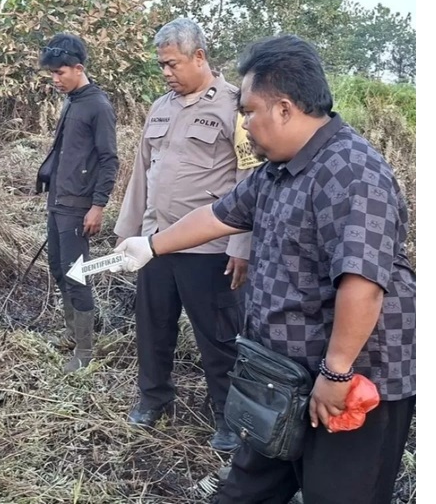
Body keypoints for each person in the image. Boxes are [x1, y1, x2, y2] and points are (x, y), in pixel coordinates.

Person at [113, 34, 416, 504]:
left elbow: (363, 282)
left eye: (250, 112)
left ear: (284, 108)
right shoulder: (278, 169)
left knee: (339, 494)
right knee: (244, 490)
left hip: (355, 380)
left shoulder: (353, 171)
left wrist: (336, 374)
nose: (245, 125)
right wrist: (151, 246)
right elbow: (220, 214)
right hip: (284, 375)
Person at [113, 17, 261, 452]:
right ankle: (153, 400)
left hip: (209, 249)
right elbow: (142, 172)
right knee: (152, 328)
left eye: (172, 64)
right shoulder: (160, 108)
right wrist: (127, 233)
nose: (166, 73)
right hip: (154, 244)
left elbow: (248, 178)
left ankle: (228, 419)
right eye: (161, 65)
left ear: (200, 57)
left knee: (217, 338)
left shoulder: (236, 107)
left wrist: (242, 247)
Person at [35, 33, 118, 372]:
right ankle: (72, 333)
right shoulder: (72, 101)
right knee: (58, 269)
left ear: (79, 68)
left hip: (78, 206)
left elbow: (110, 159)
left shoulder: (98, 105)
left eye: (60, 73)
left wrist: (98, 205)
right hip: (58, 202)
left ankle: (85, 351)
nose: (55, 80)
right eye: (51, 74)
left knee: (77, 275)